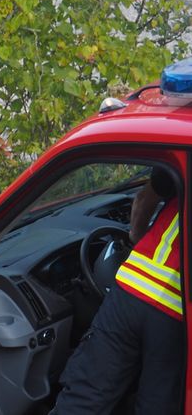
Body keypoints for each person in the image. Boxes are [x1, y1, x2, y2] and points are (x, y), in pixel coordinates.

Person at [49, 166, 183, 415]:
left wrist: (137, 239)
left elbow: (143, 201)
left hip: (132, 289)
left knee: (85, 396)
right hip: (177, 315)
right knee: (158, 405)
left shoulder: (186, 161)